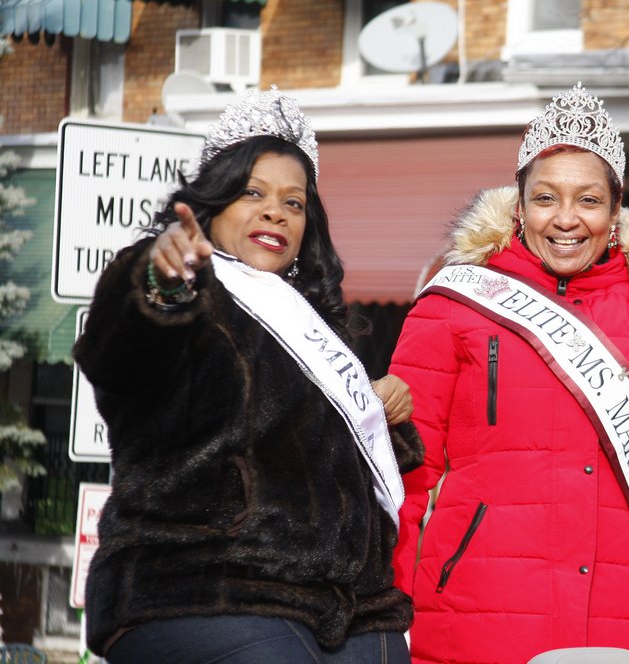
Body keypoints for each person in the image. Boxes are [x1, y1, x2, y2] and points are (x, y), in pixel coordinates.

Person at [388, 83, 629, 664]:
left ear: (615, 213)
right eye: (546, 198)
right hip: (479, 610)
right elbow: (404, 473)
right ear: (518, 206)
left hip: (622, 608)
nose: (566, 220)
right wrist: (386, 605)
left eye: (589, 201)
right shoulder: (454, 304)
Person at [73, 87, 422, 664]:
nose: (275, 211)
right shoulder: (186, 286)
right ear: (213, 202)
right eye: (252, 192)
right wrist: (161, 285)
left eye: (294, 202)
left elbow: (340, 464)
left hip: (352, 604)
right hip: (204, 582)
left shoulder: (321, 327)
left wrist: (386, 411)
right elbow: (121, 352)